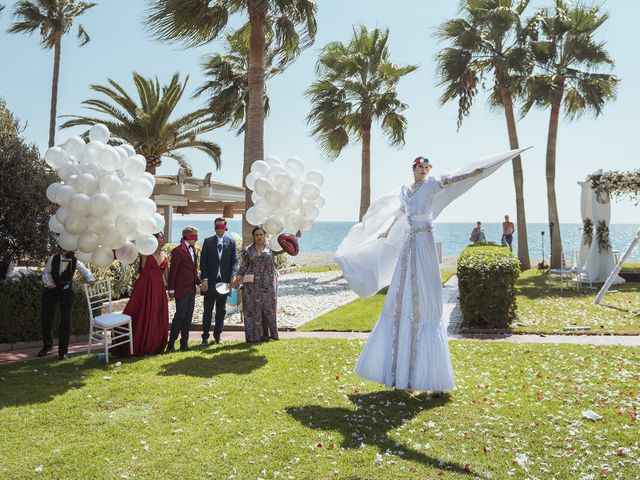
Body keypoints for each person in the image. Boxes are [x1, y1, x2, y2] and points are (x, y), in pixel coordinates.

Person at [335, 148, 529, 394]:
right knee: (401, 298)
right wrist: (386, 230)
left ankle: (430, 377)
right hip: (409, 242)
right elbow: (400, 213)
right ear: (413, 169)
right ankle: (400, 374)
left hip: (424, 239)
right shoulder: (406, 191)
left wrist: (475, 173)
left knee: (427, 299)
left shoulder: (433, 184)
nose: (424, 171)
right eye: (420, 167)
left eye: (427, 168)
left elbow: (453, 180)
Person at [114, 232, 169, 356]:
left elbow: (167, 276)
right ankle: (139, 343)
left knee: (156, 313)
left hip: (158, 288)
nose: (164, 239)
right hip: (144, 287)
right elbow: (134, 245)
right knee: (141, 312)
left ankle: (155, 343)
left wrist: (170, 291)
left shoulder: (165, 255)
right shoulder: (145, 254)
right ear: (154, 240)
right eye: (161, 237)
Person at [38, 246, 95, 360]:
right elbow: (45, 273)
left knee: (65, 321)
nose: (70, 252)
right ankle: (47, 346)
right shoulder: (53, 259)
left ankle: (63, 352)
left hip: (66, 293)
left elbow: (85, 270)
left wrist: (90, 278)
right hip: (51, 291)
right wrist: (48, 282)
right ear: (62, 250)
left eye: (72, 250)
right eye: (68, 250)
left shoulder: (75, 260)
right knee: (46, 318)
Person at [233, 226, 284, 342]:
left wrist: (295, 238)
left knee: (269, 309)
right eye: (256, 235)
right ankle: (254, 337)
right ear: (253, 237)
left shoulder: (271, 248)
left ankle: (269, 335)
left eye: (261, 234)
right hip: (252, 285)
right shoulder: (248, 250)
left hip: (269, 283)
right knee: (252, 310)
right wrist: (237, 280)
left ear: (264, 235)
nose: (259, 237)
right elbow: (243, 267)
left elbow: (285, 248)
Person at [200, 218, 238, 345]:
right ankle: (205, 337)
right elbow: (203, 263)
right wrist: (204, 279)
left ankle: (218, 336)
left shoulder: (231, 243)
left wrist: (233, 275)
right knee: (207, 310)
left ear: (225, 227)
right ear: (214, 227)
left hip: (224, 282)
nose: (219, 229)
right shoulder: (207, 242)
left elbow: (234, 261)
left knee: (221, 311)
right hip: (209, 282)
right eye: (217, 226)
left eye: (222, 226)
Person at [167, 226, 201, 352]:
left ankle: (184, 343)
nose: (197, 239)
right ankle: (170, 344)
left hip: (191, 289)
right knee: (179, 316)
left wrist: (199, 282)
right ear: (188, 237)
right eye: (195, 237)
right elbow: (173, 272)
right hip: (181, 289)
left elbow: (193, 270)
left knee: (188, 316)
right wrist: (171, 290)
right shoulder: (178, 251)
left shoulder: (193, 250)